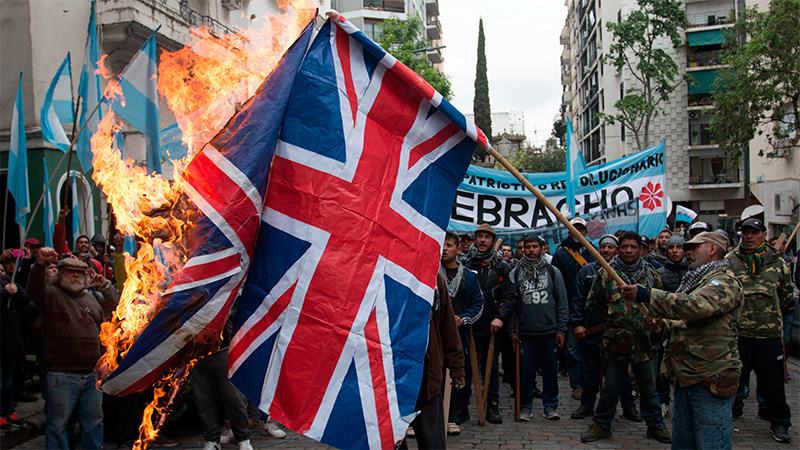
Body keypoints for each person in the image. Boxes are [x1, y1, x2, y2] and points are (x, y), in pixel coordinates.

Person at [621, 231, 743, 449]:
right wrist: (661, 327)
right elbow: (684, 322)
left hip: (709, 375)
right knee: (683, 443)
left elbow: (695, 306)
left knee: (711, 443)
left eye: (694, 247)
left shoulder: (724, 282)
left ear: (712, 249)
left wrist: (648, 295)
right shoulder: (696, 280)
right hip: (686, 375)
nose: (688, 252)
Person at [581, 231, 670, 444]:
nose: (628, 251)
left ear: (641, 249)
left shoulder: (651, 275)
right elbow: (594, 305)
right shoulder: (606, 275)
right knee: (611, 388)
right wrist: (616, 320)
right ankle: (602, 424)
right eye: (624, 247)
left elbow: (662, 304)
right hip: (615, 343)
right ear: (618, 250)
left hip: (645, 343)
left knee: (649, 388)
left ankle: (655, 426)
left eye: (633, 247)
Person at [27, 248, 119, 450]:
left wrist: (104, 286)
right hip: (63, 375)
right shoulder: (51, 295)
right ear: (60, 275)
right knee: (58, 426)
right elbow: (34, 288)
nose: (75, 275)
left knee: (93, 423)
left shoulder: (92, 298)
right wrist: (39, 265)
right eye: (70, 271)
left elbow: (114, 311)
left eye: (79, 272)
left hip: (92, 375)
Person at [727, 218, 793, 443]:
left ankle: (779, 422)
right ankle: (730, 413)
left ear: (764, 235)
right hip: (739, 335)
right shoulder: (730, 261)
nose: (749, 237)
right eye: (745, 232)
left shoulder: (778, 263)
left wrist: (769, 315)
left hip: (768, 335)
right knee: (733, 379)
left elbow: (786, 296)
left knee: (773, 383)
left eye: (754, 232)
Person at [570, 235, 638, 420]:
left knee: (620, 373)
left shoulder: (623, 272)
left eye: (610, 247)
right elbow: (578, 299)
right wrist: (578, 323)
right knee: (591, 371)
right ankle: (587, 405)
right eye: (603, 246)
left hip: (618, 332)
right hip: (592, 331)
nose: (606, 250)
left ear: (617, 250)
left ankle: (629, 407)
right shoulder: (586, 272)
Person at [398, 274, 465, 449]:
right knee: (392, 440)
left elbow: (447, 325)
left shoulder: (434, 279)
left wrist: (457, 366)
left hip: (427, 376)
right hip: (392, 376)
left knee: (432, 441)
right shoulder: (382, 270)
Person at [507, 235, 568, 421]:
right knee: (525, 372)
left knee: (550, 372)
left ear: (542, 248)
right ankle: (525, 406)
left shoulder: (553, 272)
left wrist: (561, 329)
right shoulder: (515, 272)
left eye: (535, 246)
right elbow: (510, 304)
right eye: (528, 247)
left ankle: (550, 405)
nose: (531, 250)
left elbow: (562, 302)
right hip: (525, 333)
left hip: (549, 332)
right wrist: (511, 331)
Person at [462, 223, 516, 424]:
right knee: (466, 368)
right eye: (480, 236)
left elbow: (510, 296)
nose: (483, 240)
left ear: (493, 241)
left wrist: (500, 317)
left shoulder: (501, 266)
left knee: (491, 368)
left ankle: (492, 405)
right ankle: (462, 407)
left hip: (492, 326)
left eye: (487, 237)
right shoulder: (466, 265)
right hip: (469, 325)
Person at [440, 231, 484, 435]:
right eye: (442, 245)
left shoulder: (469, 277)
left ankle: (452, 417)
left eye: (449, 245)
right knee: (432, 375)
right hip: (434, 336)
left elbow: (478, 304)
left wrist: (463, 319)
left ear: (458, 249)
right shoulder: (429, 273)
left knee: (456, 375)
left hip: (458, 336)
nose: (444, 249)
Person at [192, 312, 254, 450]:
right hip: (195, 354)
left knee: (234, 397)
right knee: (203, 400)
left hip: (222, 349)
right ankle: (212, 440)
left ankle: (243, 438)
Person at [551, 217, 596, 401]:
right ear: (569, 232)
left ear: (585, 232)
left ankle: (591, 384)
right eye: (574, 229)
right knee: (573, 349)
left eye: (581, 229)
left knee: (591, 350)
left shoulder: (593, 252)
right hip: (569, 307)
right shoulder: (561, 254)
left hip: (591, 310)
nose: (578, 232)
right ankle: (576, 384)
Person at [1, 271, 31, 431]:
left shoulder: (7, 279)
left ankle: (8, 410)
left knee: (8, 379)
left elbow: (24, 297)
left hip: (11, 339)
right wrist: (5, 293)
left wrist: (14, 291)